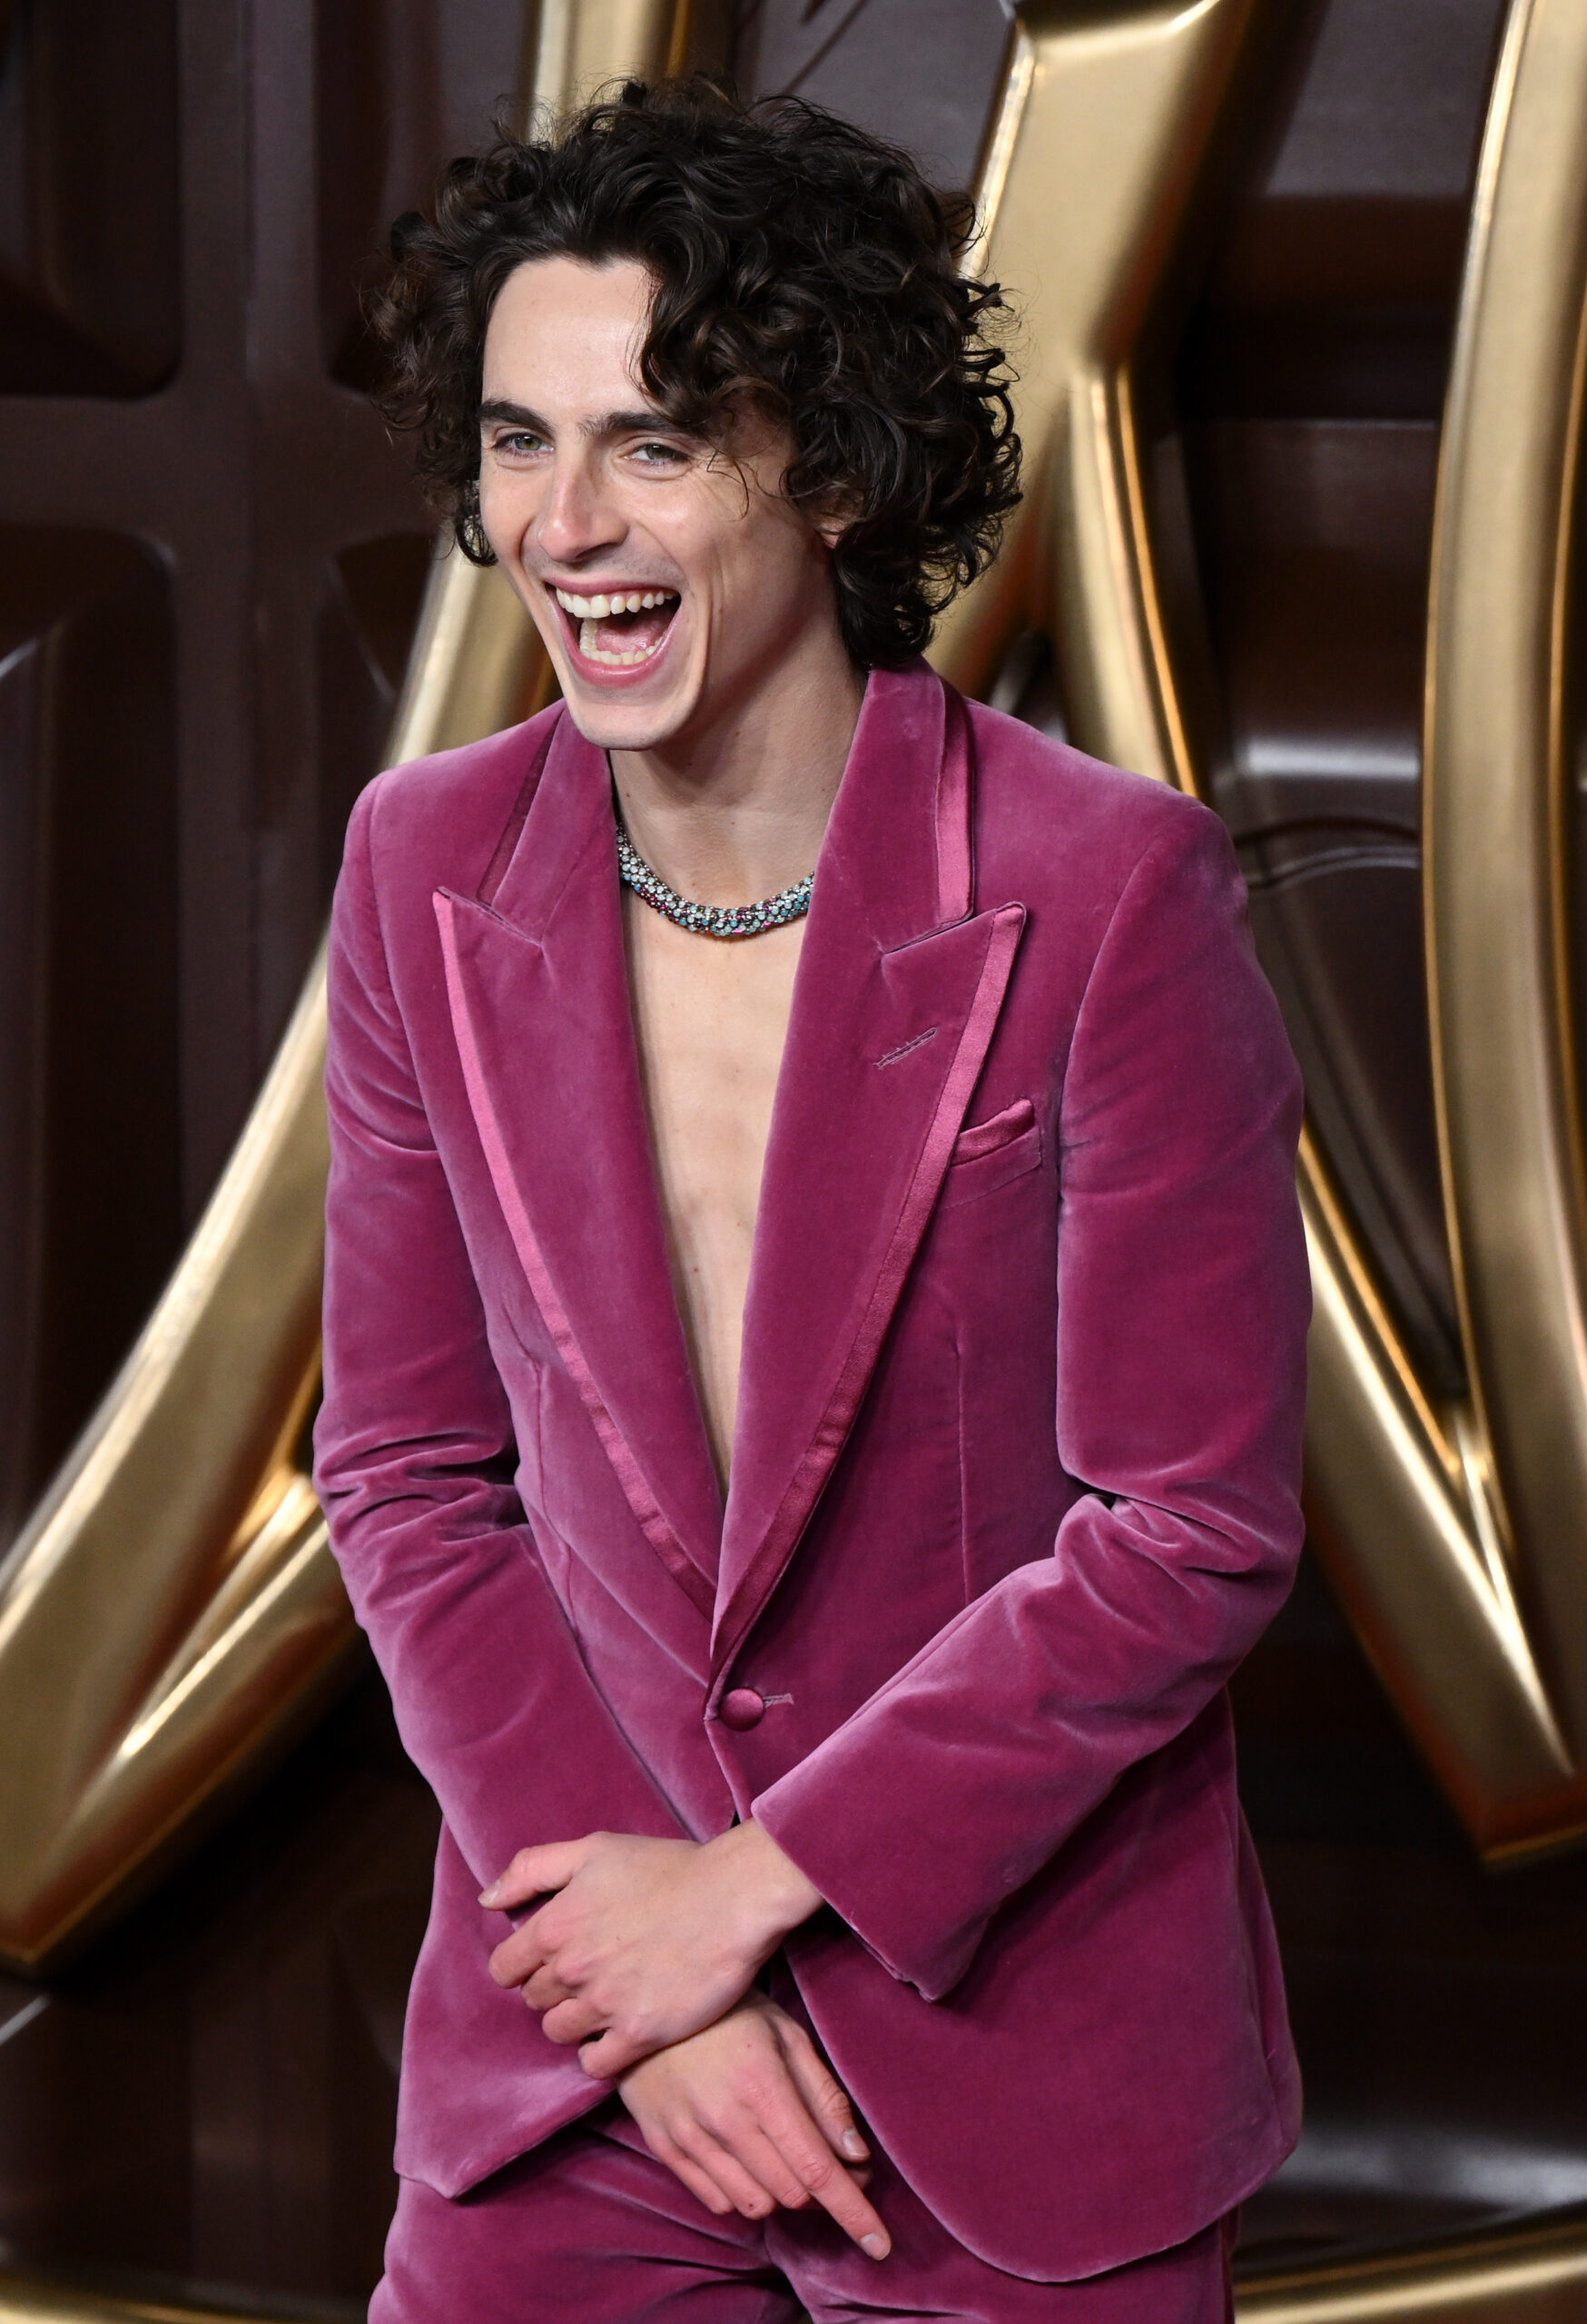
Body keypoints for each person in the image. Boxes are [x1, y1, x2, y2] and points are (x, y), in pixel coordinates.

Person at [314, 76, 1309, 2324]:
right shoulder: (418, 864)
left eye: (653, 443)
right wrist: (640, 1985)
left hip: (1017, 2056)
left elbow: (1188, 1523)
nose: (565, 522)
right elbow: (404, 1470)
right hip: (584, 2059)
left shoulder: (1107, 887)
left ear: (833, 471)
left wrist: (757, 1887)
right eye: (517, 441)